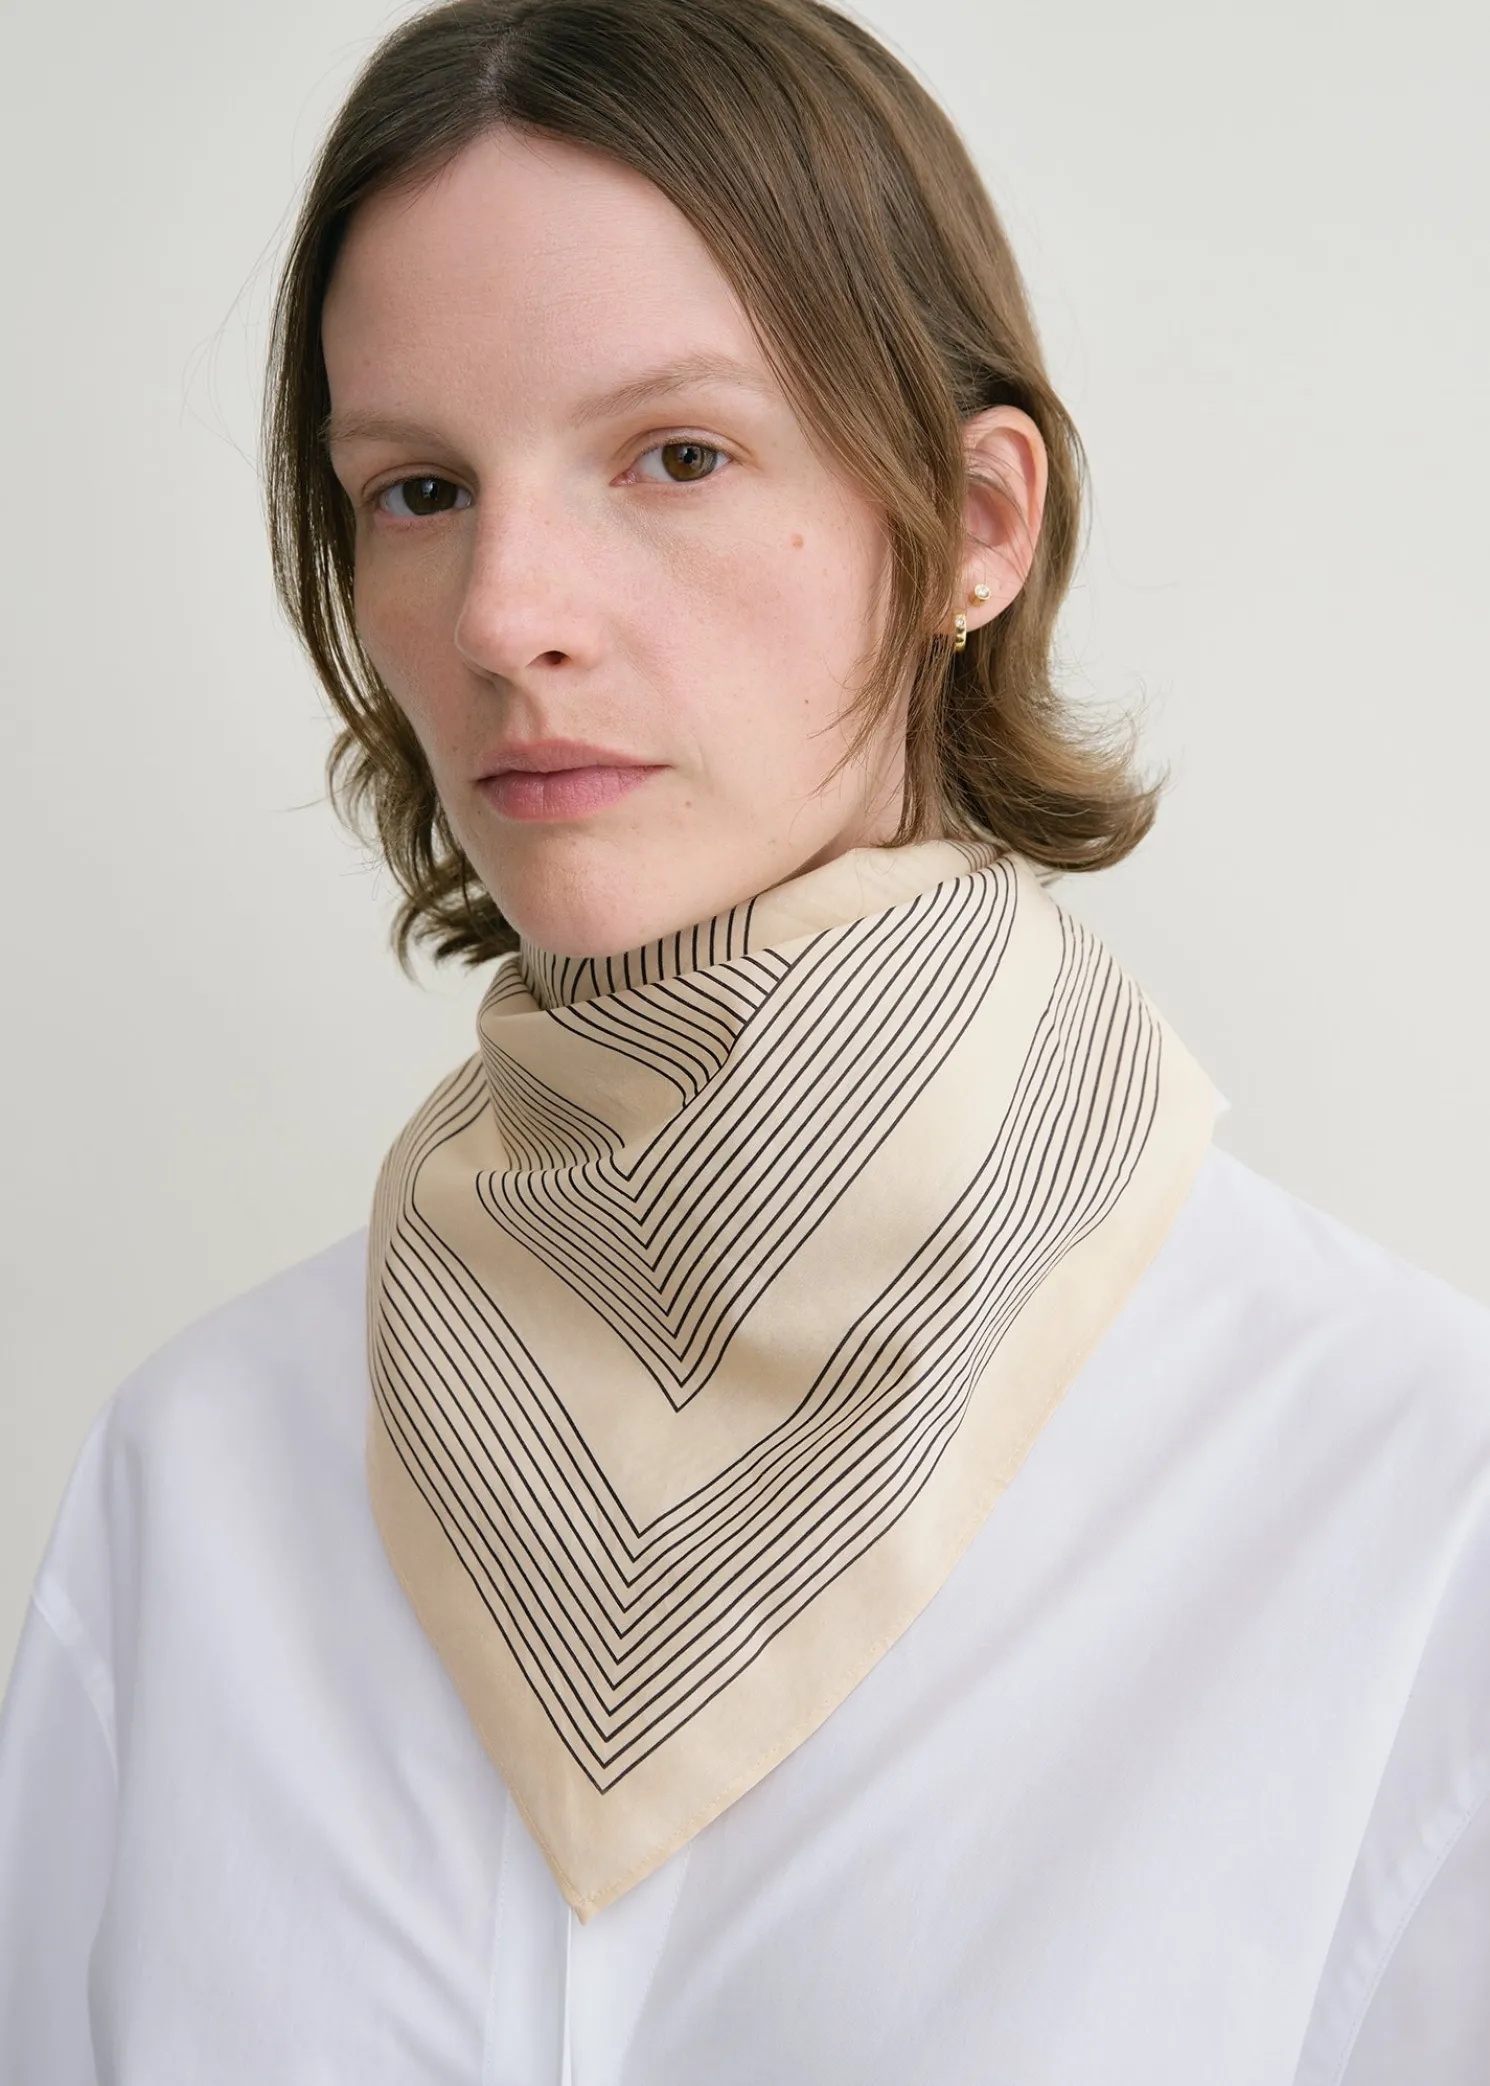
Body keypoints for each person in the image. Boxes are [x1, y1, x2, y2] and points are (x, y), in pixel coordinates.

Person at [1, 0, 1486, 2077]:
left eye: (675, 456)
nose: (504, 611)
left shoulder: (1402, 1495)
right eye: (417, 488)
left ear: (976, 522)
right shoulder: (202, 1482)